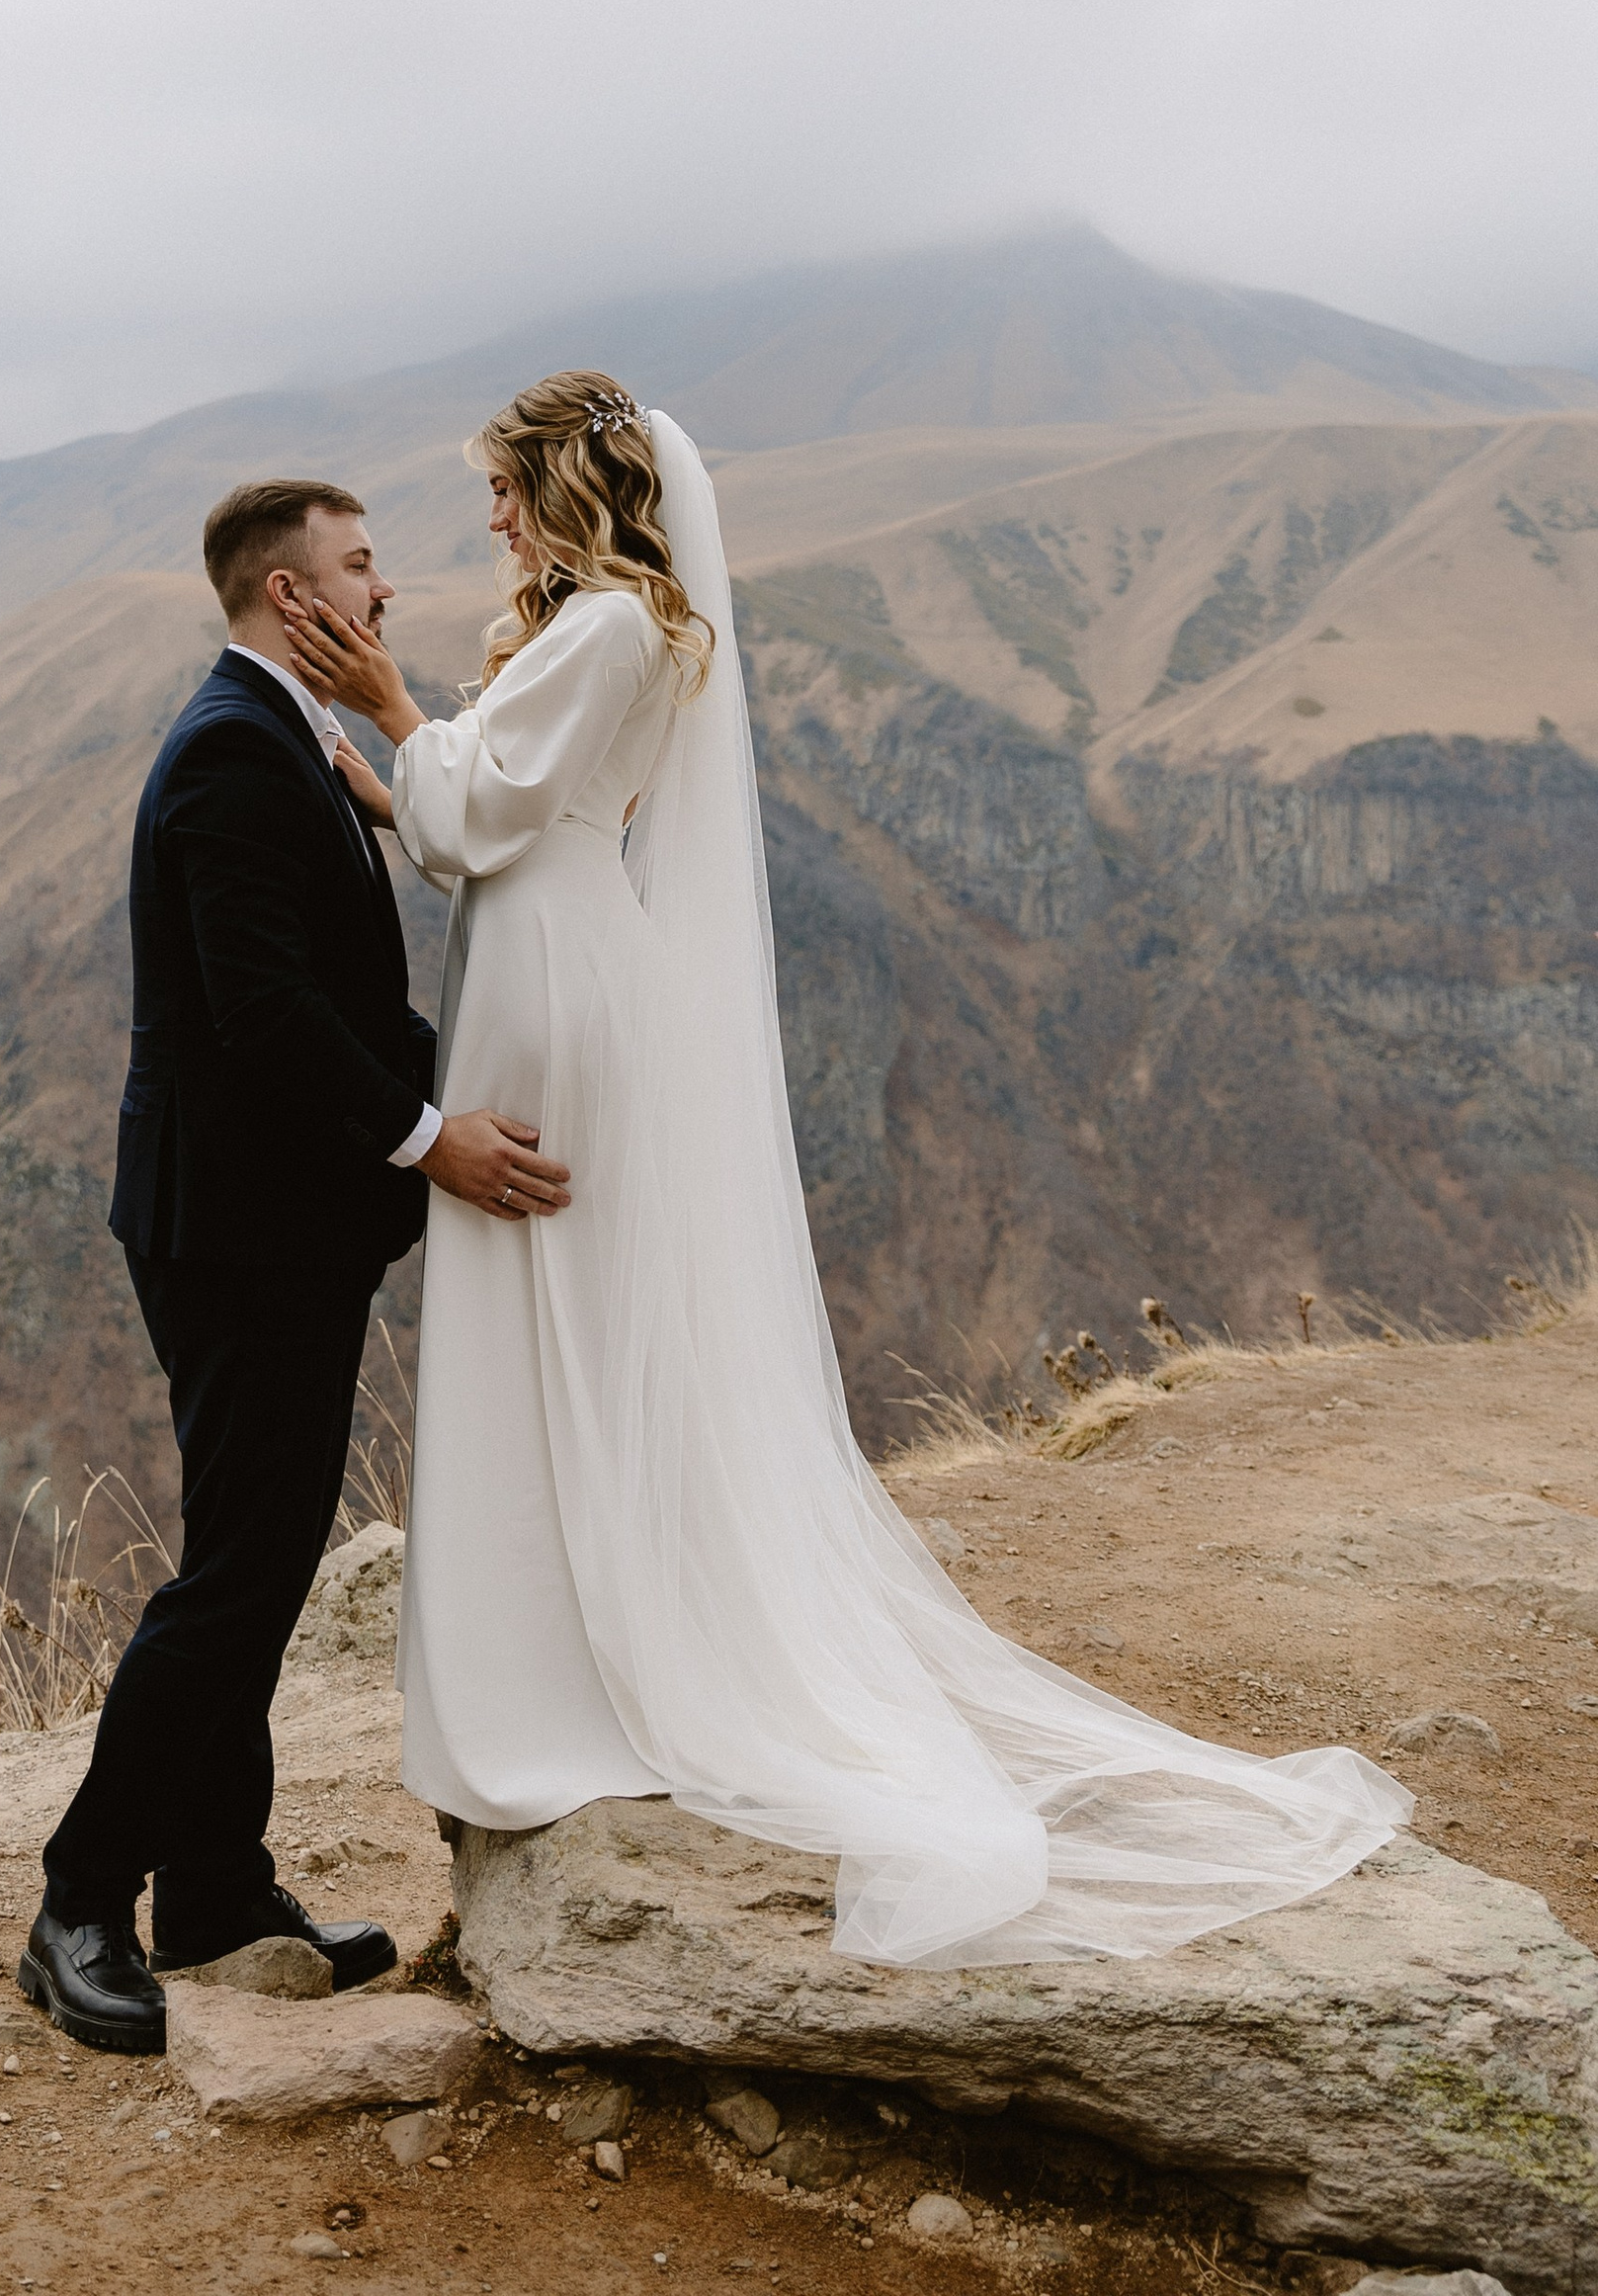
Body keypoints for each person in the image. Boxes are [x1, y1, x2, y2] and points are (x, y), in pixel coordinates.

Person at [284, 373, 1410, 1971]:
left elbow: (483, 823)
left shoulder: (608, 624)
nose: (490, 519)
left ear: (570, 486)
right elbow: (498, 819)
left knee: (559, 1312)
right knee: (562, 1320)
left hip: (553, 984)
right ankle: (571, 1655)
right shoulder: (625, 627)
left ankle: (574, 1685)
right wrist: (406, 782)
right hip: (553, 957)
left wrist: (394, 720)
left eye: (505, 486)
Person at [24, 475, 573, 2050]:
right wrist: (429, 1138)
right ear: (291, 598)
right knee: (240, 1576)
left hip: (271, 1224)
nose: (384, 590)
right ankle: (79, 1897)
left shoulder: (283, 741)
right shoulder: (228, 759)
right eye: (359, 567)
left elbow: (334, 979)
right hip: (236, 1235)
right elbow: (264, 1018)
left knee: (251, 1565)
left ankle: (212, 1889)